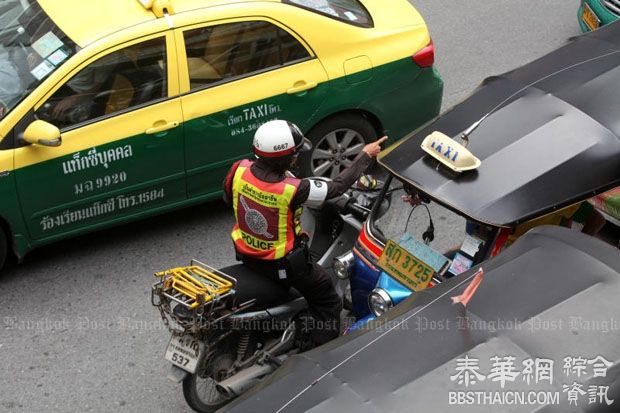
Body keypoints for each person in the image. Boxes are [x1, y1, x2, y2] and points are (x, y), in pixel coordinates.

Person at [223, 119, 386, 347]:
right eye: (295, 154)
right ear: (285, 158)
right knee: (327, 299)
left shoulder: (239, 169)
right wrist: (365, 156)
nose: (297, 157)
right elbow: (336, 188)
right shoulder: (292, 189)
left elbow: (229, 199)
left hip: (246, 254)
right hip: (282, 265)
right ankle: (320, 350)